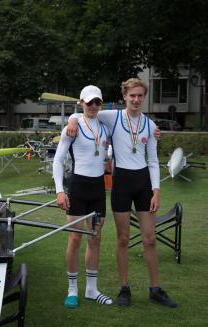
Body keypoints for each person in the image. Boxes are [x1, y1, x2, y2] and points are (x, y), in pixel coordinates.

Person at [67, 78, 178, 308]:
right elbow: (86, 112)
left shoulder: (149, 125)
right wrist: (71, 120)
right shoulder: (113, 117)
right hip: (122, 184)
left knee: (150, 239)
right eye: (132, 96)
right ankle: (124, 288)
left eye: (140, 96)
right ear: (125, 97)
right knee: (123, 239)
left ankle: (155, 289)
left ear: (143, 97)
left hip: (143, 183)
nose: (136, 100)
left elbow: (154, 161)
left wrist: (156, 190)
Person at [53, 85, 113, 309]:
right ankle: (72, 290)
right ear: (81, 103)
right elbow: (58, 160)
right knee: (75, 239)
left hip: (98, 189)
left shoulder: (105, 126)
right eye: (89, 103)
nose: (94, 106)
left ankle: (91, 290)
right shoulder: (73, 126)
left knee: (95, 238)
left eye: (97, 102)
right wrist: (60, 190)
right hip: (78, 187)